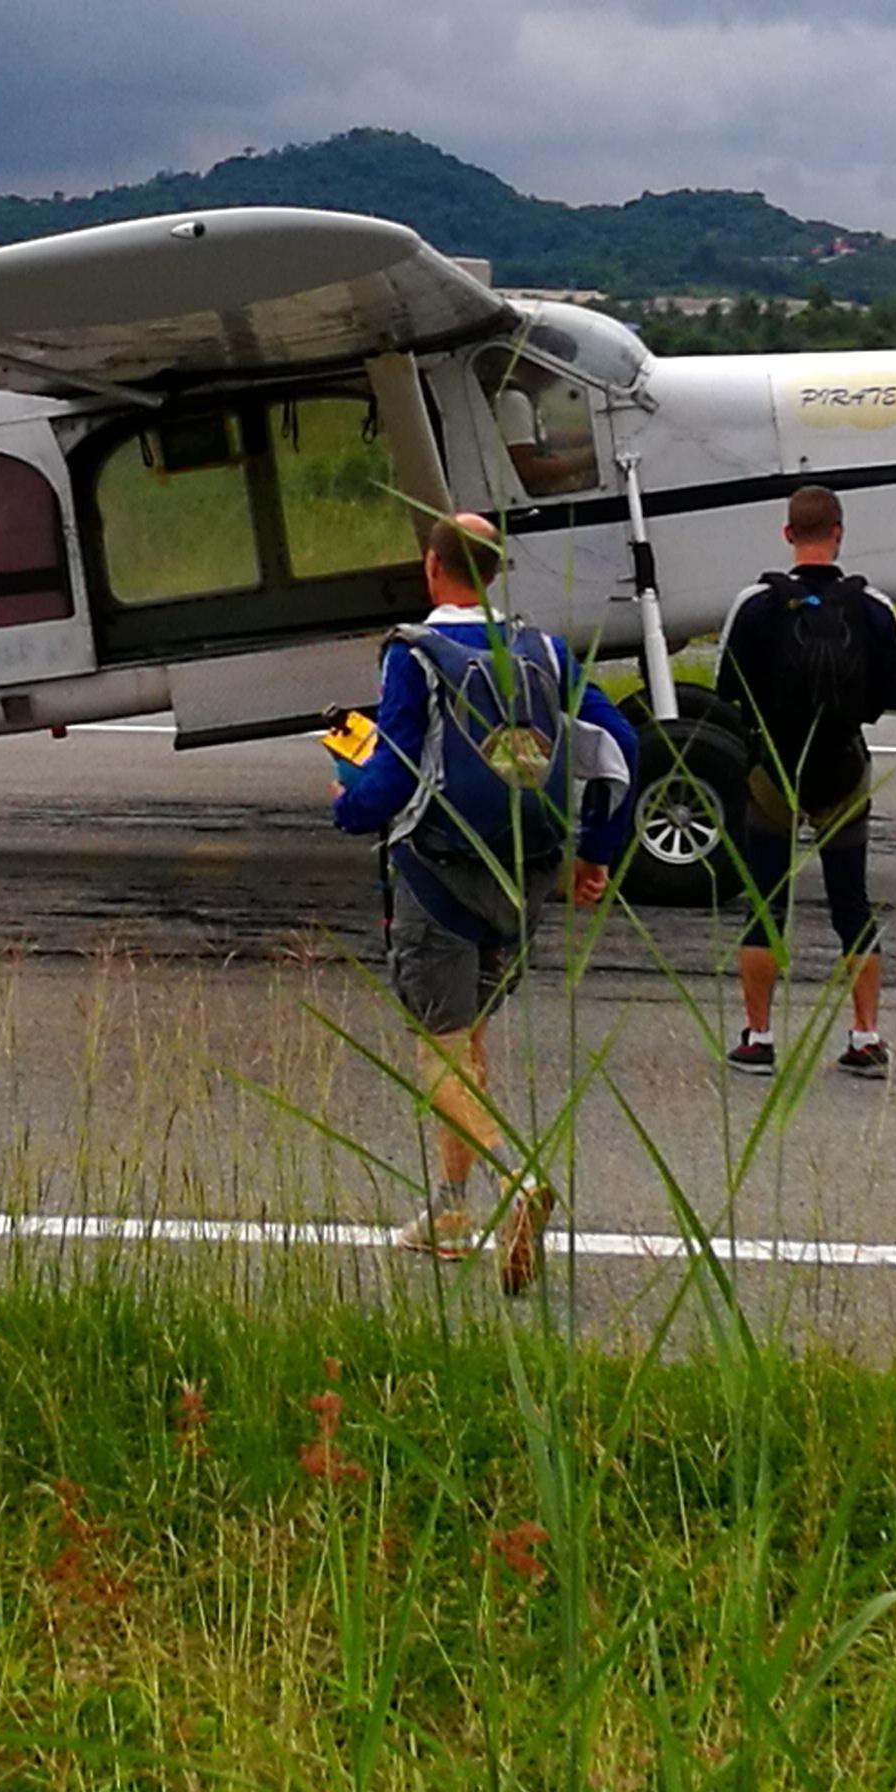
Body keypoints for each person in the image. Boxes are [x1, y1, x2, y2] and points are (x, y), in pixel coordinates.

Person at [329, 511, 636, 1295]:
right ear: (496, 570)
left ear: (433, 568)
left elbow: (394, 775)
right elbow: (620, 747)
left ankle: (512, 1180)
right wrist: (595, 851)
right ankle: (451, 1213)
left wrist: (347, 801)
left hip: (438, 875)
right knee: (469, 1044)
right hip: (524, 877)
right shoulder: (542, 649)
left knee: (436, 1050)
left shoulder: (415, 653)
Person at [713, 485, 896, 1078]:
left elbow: (727, 687)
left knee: (766, 904)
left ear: (787, 534)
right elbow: (894, 693)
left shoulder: (755, 604)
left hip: (774, 767)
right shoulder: (874, 606)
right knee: (851, 902)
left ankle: (759, 1035)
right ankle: (866, 1035)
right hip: (843, 767)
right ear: (839, 533)